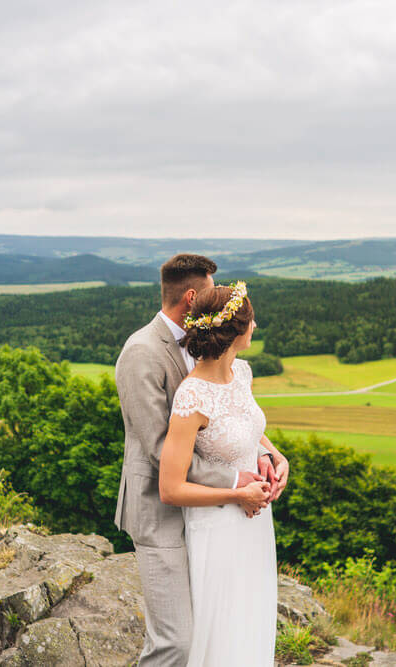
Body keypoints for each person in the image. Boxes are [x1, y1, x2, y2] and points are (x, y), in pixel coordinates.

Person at [113, 254, 287, 666]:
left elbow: (228, 417)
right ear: (193, 297)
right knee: (176, 642)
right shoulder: (141, 353)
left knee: (220, 628)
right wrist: (235, 482)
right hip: (161, 514)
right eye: (212, 290)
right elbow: (159, 449)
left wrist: (268, 456)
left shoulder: (221, 356)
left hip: (216, 517)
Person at [159, 280, 285, 665]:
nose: (256, 325)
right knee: (222, 629)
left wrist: (277, 457)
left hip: (255, 523)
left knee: (252, 617)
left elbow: (247, 428)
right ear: (235, 331)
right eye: (252, 319)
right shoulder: (191, 395)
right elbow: (170, 488)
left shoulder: (242, 373)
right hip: (217, 526)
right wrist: (237, 494)